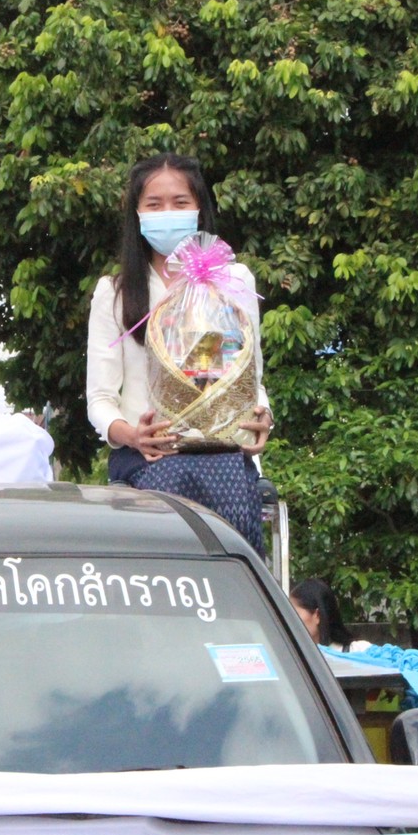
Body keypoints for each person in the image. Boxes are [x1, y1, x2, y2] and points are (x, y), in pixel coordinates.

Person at [85, 153, 273, 551]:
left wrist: (261, 417)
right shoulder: (115, 294)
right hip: (147, 462)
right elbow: (100, 401)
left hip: (223, 453)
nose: (167, 213)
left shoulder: (235, 281)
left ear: (199, 209)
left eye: (180, 202)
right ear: (136, 214)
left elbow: (249, 378)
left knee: (233, 529)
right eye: (154, 204)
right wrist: (134, 436)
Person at [289, 579, 369, 652]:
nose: (289, 620)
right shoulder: (289, 657)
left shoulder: (359, 651)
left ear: (318, 615)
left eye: (294, 613)